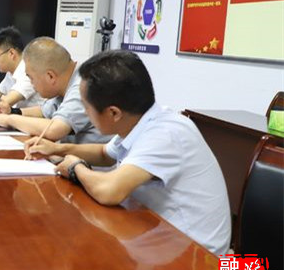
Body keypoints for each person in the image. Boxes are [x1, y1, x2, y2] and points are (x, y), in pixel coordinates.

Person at [26, 50, 231, 255]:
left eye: (86, 108)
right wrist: (57, 149)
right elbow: (105, 154)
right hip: (160, 235)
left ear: (113, 113)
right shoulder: (140, 120)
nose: (85, 113)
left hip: (198, 256)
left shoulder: (165, 134)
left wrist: (75, 168)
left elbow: (109, 190)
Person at [0, 36, 110, 144]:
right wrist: (12, 111)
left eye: (31, 78)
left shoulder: (82, 86)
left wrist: (9, 120)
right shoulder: (67, 78)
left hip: (90, 164)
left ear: (50, 76)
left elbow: (55, 129)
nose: (32, 84)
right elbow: (44, 111)